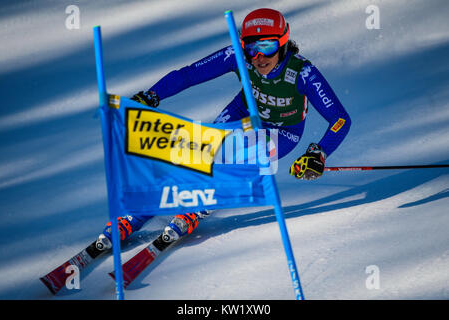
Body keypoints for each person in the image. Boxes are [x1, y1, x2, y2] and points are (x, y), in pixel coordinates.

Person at [97, 8, 351, 249]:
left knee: (232, 161)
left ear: (283, 43)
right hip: (244, 112)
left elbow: (340, 119)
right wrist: (152, 95)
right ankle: (139, 211)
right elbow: (189, 75)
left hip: (283, 131)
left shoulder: (303, 73)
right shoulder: (238, 57)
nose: (259, 57)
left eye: (268, 46)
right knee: (196, 154)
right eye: (252, 48)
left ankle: (202, 203)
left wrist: (318, 153)